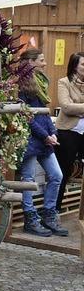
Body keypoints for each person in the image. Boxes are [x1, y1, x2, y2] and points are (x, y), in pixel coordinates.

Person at [17, 49, 67, 236]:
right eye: (42, 60)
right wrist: (45, 135)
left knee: (57, 175)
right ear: (30, 62)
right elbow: (28, 116)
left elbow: (43, 112)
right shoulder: (21, 85)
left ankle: (48, 214)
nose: (45, 63)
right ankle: (30, 218)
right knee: (28, 180)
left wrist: (52, 133)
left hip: (44, 137)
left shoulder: (39, 83)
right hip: (30, 139)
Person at [55, 52, 84, 212]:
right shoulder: (64, 82)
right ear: (75, 66)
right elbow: (66, 107)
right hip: (68, 133)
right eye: (83, 64)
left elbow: (73, 107)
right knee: (63, 171)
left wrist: (77, 107)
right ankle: (55, 209)